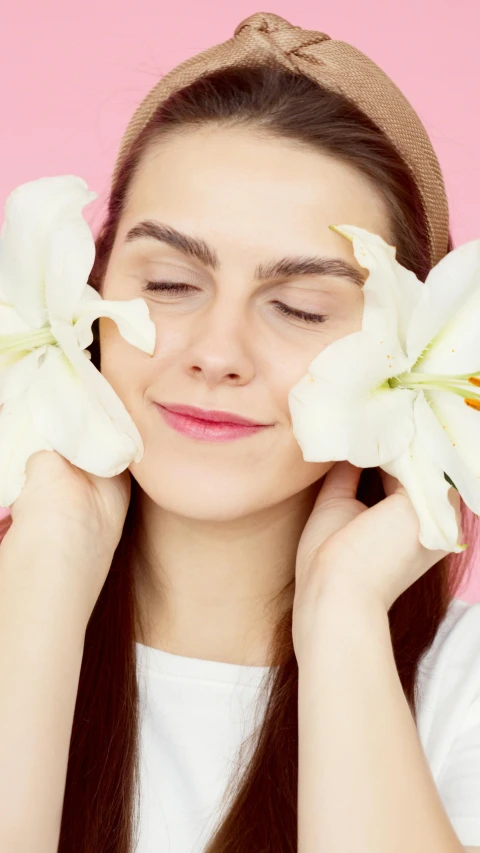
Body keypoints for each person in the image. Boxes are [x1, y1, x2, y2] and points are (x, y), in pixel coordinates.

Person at [0, 11, 479, 853]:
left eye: (299, 306)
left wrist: (343, 617)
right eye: (171, 282)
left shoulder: (462, 688)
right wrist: (43, 565)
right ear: (90, 295)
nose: (217, 353)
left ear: (407, 343)